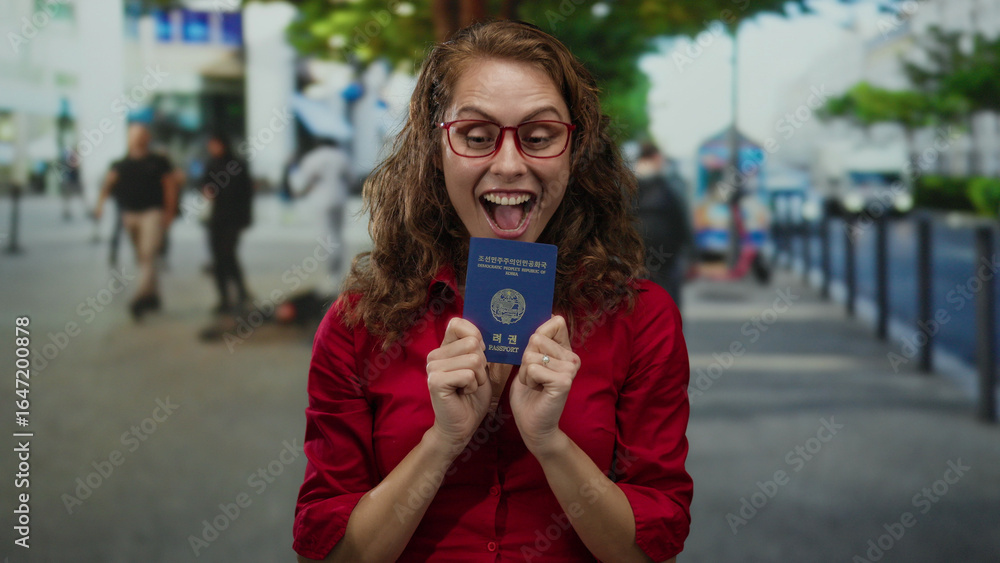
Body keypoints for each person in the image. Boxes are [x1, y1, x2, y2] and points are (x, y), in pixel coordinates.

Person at [293, 21, 692, 563]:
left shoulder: (641, 318)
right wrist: (442, 443)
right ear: (438, 149)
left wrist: (551, 444)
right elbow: (330, 555)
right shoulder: (358, 324)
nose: (509, 163)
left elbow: (650, 551)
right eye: (477, 137)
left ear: (574, 152)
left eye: (540, 136)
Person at [94, 123, 178, 320]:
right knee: (142, 256)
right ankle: (153, 295)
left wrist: (170, 211)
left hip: (153, 213)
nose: (138, 139)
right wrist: (100, 205)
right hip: (130, 214)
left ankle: (140, 298)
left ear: (147, 138)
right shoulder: (120, 164)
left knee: (148, 254)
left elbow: (170, 186)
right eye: (134, 135)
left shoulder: (159, 162)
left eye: (141, 135)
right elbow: (108, 184)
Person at [635, 142, 693, 308]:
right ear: (656, 157)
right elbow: (682, 220)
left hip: (638, 260)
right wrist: (689, 252)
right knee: (668, 305)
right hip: (667, 258)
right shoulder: (669, 184)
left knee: (641, 306)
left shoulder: (628, 184)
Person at [200, 134, 253, 314]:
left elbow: (246, 193)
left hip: (234, 219)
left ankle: (241, 292)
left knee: (228, 255)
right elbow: (203, 185)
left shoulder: (237, 165)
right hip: (215, 219)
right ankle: (224, 298)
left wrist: (246, 219)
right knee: (218, 259)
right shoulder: (210, 164)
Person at [289, 138, 352, 275]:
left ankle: (332, 266)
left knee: (326, 234)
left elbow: (302, 182)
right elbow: (350, 178)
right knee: (338, 233)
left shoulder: (313, 158)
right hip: (339, 198)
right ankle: (339, 265)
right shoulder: (341, 156)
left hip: (321, 200)